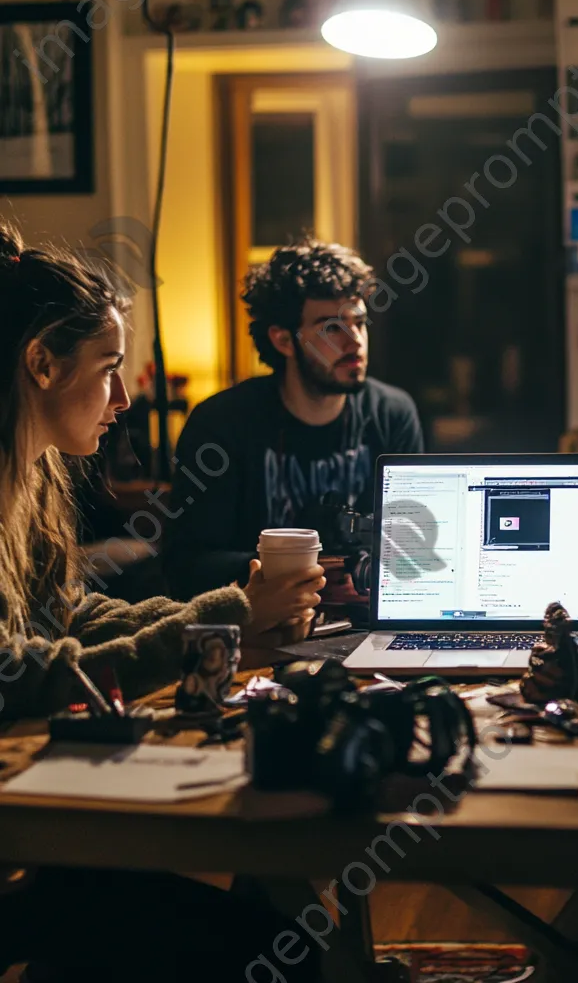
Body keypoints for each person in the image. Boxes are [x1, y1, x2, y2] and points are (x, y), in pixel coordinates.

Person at [0, 223, 321, 980]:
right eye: (108, 369)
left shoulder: (34, 479)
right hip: (18, 851)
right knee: (283, 949)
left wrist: (231, 617)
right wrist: (231, 619)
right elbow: (18, 673)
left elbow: (70, 618)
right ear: (41, 362)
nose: (121, 398)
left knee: (272, 908)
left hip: (35, 822)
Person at [162, 239, 424, 599]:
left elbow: (410, 545)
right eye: (332, 328)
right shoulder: (222, 423)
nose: (355, 342)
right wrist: (295, 572)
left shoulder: (392, 414)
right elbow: (187, 564)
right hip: (259, 626)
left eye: (359, 323)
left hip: (361, 622)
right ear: (284, 340)